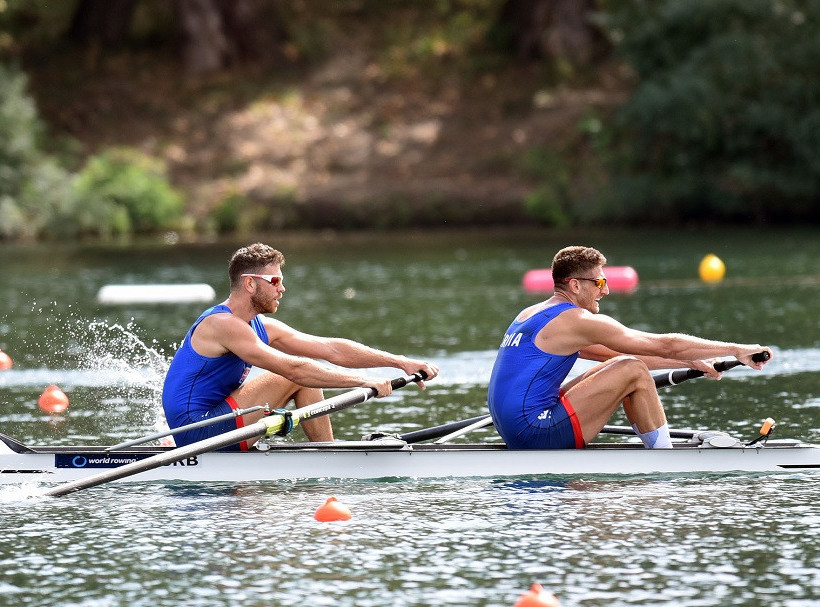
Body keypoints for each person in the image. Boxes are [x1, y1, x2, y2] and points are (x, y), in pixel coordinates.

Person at [487, 245, 773, 450]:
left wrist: (688, 363)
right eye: (599, 281)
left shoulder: (530, 314)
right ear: (574, 285)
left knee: (621, 365)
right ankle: (664, 459)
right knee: (632, 369)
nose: (606, 290)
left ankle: (657, 448)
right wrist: (736, 349)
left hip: (514, 431)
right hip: (536, 432)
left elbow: (610, 355)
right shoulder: (574, 319)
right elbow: (666, 345)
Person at [162, 243, 439, 450]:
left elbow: (331, 349)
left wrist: (399, 361)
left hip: (221, 425)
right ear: (249, 283)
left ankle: (326, 451)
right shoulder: (222, 324)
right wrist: (364, 381)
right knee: (294, 374)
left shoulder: (260, 327)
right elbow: (292, 369)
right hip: (198, 433)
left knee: (306, 373)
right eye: (275, 281)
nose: (282, 289)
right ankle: (327, 457)